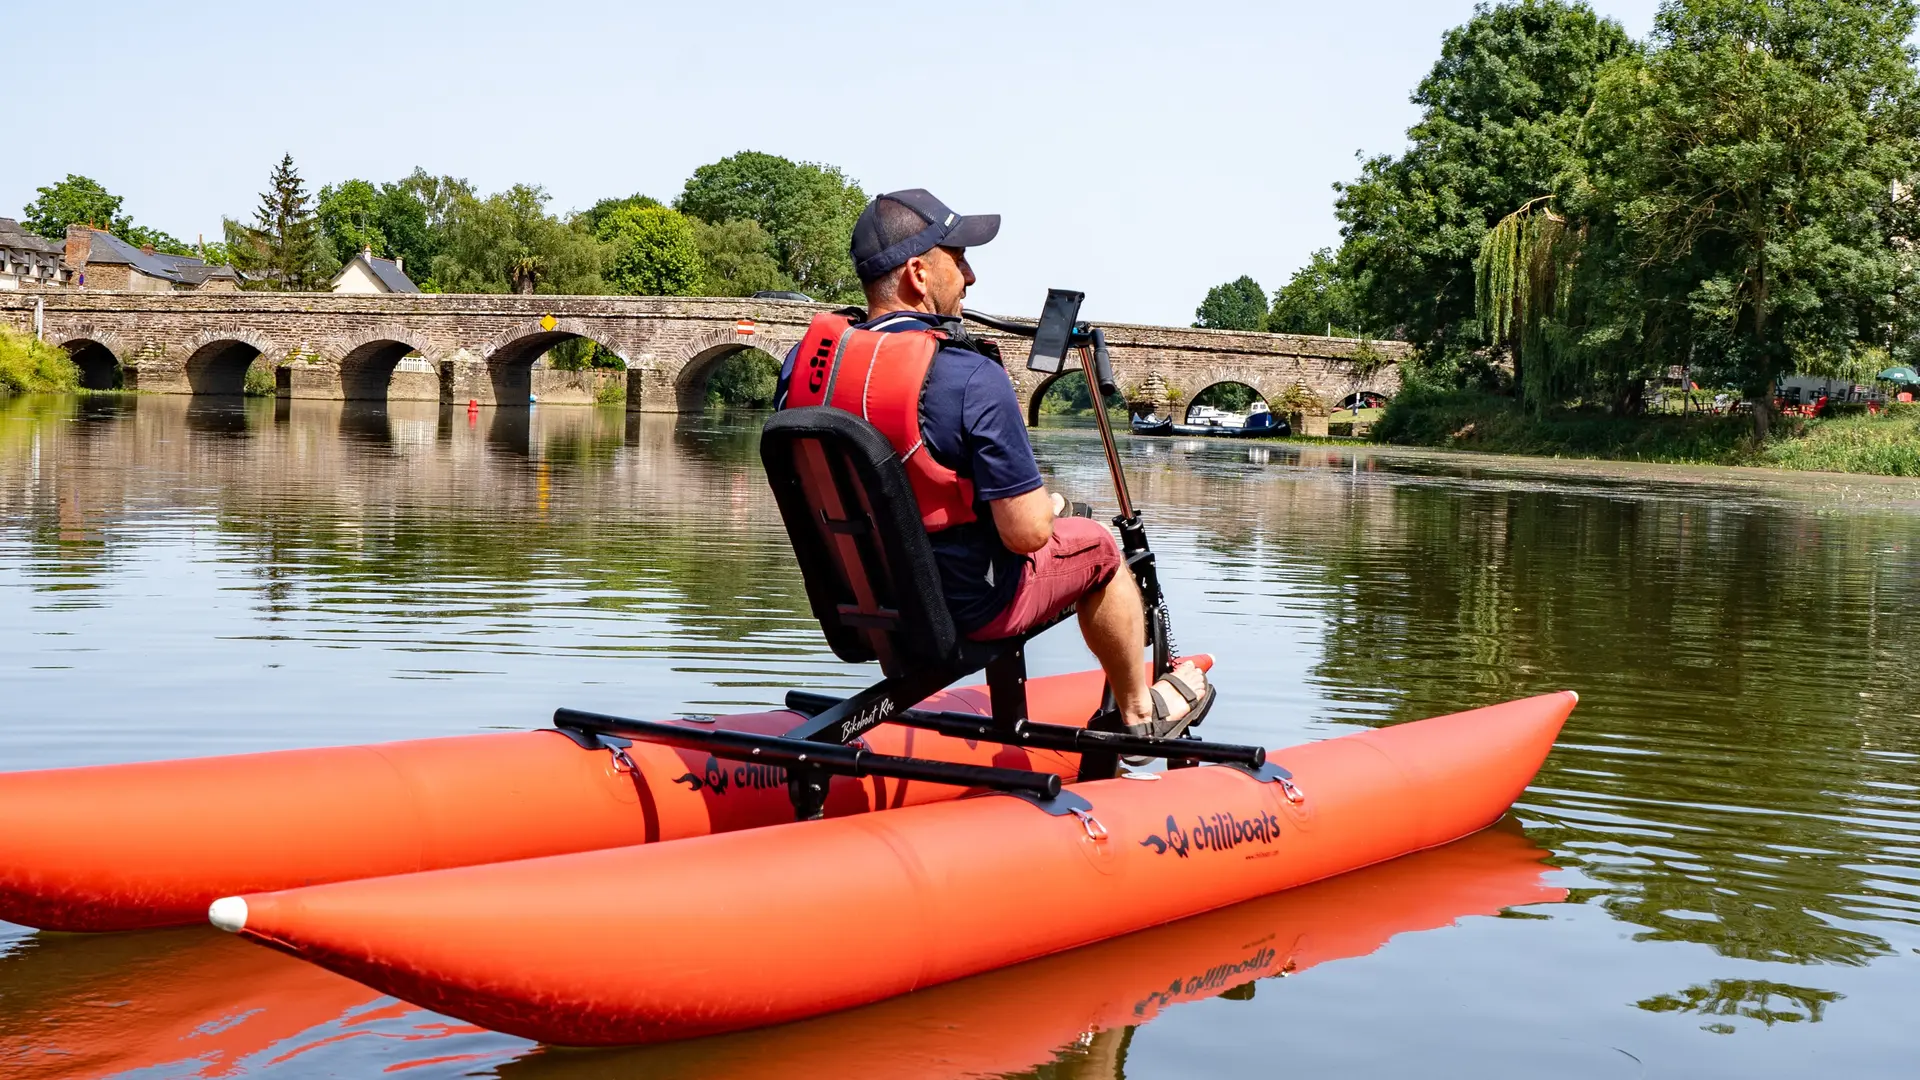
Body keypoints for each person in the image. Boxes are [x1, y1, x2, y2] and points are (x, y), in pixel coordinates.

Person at [774, 189, 1208, 739]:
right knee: (1096, 545)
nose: (971, 276)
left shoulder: (804, 368)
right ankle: (1141, 716)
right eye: (958, 258)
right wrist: (1047, 509)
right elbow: (1026, 535)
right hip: (964, 612)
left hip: (860, 610)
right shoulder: (971, 376)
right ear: (918, 274)